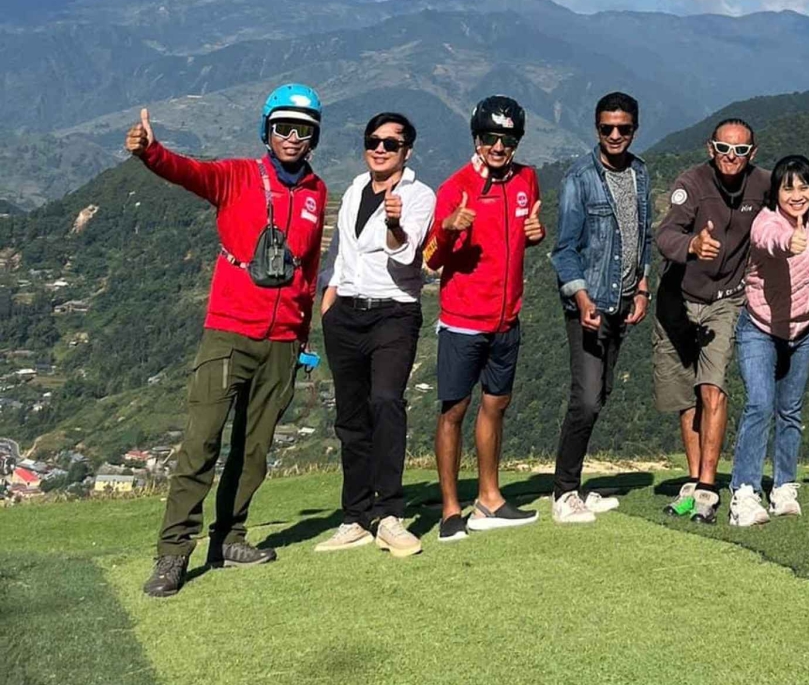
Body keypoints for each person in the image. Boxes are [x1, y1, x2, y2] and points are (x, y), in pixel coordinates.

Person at [130, 84, 328, 598]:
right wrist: (151, 152)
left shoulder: (315, 193)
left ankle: (230, 539)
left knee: (254, 449)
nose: (292, 137)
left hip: (282, 342)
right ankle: (174, 555)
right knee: (200, 445)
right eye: (283, 127)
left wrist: (303, 340)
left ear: (314, 138)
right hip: (229, 333)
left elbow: (306, 273)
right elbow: (189, 173)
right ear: (267, 130)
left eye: (302, 130)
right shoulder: (238, 176)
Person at [424, 95, 546, 541]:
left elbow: (520, 238)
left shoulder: (526, 180)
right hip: (462, 321)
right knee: (453, 410)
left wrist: (538, 233)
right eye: (490, 138)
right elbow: (431, 259)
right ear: (476, 138)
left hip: (507, 319)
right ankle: (451, 509)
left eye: (508, 139)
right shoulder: (455, 187)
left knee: (496, 406)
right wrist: (448, 228)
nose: (498, 147)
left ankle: (490, 499)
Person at [315, 113, 435, 557]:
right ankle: (355, 516)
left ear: (407, 151)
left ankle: (390, 513)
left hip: (394, 313)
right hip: (346, 313)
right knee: (351, 418)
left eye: (391, 143)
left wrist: (394, 225)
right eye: (373, 141)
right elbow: (341, 252)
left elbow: (407, 260)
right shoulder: (352, 191)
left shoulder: (418, 196)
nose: (380, 149)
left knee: (386, 402)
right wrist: (329, 299)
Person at [653, 118, 771, 524]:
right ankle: (692, 479)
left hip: (725, 300)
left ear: (752, 154)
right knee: (686, 396)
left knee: (713, 389)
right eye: (724, 148)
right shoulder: (693, 183)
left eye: (740, 150)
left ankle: (706, 487)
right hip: (677, 301)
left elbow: (795, 198)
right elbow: (665, 234)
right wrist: (691, 245)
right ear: (710, 148)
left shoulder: (763, 184)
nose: (731, 157)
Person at [548, 92, 651, 524]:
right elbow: (564, 250)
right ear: (596, 129)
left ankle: (575, 487)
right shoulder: (580, 178)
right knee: (586, 399)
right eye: (607, 128)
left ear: (634, 130)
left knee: (603, 392)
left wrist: (642, 288)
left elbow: (641, 236)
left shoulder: (640, 173)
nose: (614, 135)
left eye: (623, 129)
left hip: (623, 301)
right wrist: (583, 298)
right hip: (589, 305)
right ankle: (564, 492)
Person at [727, 155, 809, 527]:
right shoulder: (766, 222)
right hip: (760, 327)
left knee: (791, 412)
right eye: (788, 188)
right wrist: (789, 241)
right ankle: (744, 492)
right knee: (759, 405)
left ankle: (784, 485)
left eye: (804, 186)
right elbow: (766, 240)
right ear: (775, 193)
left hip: (802, 332)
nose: (797, 194)